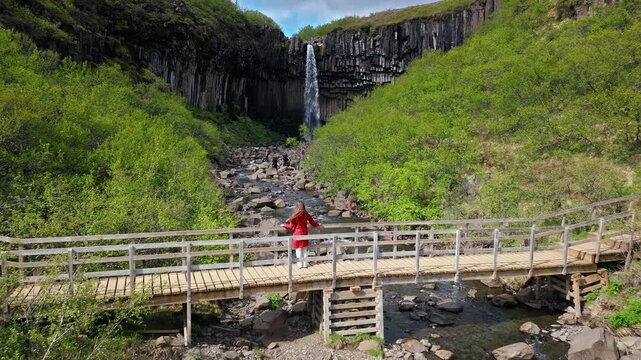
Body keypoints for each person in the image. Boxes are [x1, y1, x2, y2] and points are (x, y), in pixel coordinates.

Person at [281, 201, 320, 268]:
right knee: (304, 249)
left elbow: (290, 227)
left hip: (297, 234)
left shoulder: (295, 215)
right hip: (304, 233)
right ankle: (305, 264)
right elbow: (313, 223)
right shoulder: (306, 214)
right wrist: (318, 224)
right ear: (304, 207)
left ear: (296, 207)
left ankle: (300, 265)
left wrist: (284, 225)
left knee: (298, 250)